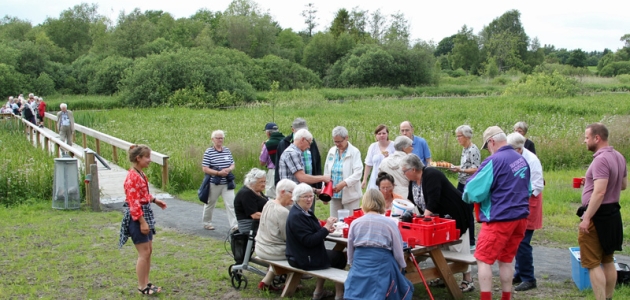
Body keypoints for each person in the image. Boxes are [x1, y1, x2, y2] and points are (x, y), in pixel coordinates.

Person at [462, 126, 531, 300]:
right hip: (520, 217)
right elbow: (528, 189)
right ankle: (505, 297)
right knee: (506, 260)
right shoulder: (520, 159)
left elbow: (472, 190)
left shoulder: (494, 161)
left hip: (499, 218)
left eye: (487, 147)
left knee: (483, 259)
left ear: (492, 142)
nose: (488, 150)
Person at [401, 154, 474, 292]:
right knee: (440, 246)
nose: (403, 174)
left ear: (414, 169)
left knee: (459, 245)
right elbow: (411, 200)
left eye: (405, 171)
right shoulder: (413, 181)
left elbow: (433, 201)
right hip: (438, 218)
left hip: (455, 213)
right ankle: (443, 275)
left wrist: (423, 219)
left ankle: (468, 279)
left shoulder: (431, 174)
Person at [578, 123, 626, 300]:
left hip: (598, 216)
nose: (585, 141)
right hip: (613, 213)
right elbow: (622, 185)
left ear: (597, 138)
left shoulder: (600, 159)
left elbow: (599, 192)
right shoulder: (619, 156)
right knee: (608, 260)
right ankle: (609, 297)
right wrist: (590, 180)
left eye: (587, 137)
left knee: (592, 263)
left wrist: (586, 217)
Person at [344, 189, 413, 300]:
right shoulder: (390, 223)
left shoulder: (355, 223)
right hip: (382, 265)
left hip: (360, 264)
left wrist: (352, 265)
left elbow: (350, 248)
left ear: (364, 203)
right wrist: (401, 266)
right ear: (382, 202)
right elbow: (398, 251)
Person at [118, 144, 167, 295]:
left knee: (149, 251)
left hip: (145, 213)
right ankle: (141, 286)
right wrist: (142, 221)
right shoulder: (132, 177)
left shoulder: (140, 174)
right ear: (138, 158)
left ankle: (147, 282)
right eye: (147, 157)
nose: (149, 160)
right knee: (143, 253)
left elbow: (143, 195)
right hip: (137, 217)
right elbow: (133, 202)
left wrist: (154, 200)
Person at [285, 183, 346, 300]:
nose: (309, 199)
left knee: (334, 254)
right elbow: (309, 241)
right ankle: (338, 294)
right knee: (340, 257)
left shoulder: (303, 211)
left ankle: (319, 291)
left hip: (303, 254)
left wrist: (327, 229)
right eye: (305, 197)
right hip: (302, 258)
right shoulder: (297, 216)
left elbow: (313, 230)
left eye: (311, 196)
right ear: (297, 198)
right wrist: (326, 228)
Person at [507, 132, 544, 291]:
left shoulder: (532, 160)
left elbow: (538, 185)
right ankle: (519, 272)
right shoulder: (516, 157)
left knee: (523, 241)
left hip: (529, 203)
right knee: (516, 239)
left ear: (519, 149)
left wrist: (522, 196)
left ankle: (529, 278)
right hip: (519, 202)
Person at [255, 179, 297, 291]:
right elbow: (287, 238)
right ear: (283, 192)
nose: (294, 197)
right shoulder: (283, 212)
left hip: (260, 247)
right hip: (272, 251)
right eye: (292, 193)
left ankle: (265, 282)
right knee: (299, 251)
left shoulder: (268, 203)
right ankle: (289, 285)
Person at [275, 118, 323, 210]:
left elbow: (316, 163)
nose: (309, 146)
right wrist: (323, 178)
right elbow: (299, 177)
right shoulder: (287, 147)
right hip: (294, 193)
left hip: (307, 187)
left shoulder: (310, 141)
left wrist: (317, 188)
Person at [449, 125, 481, 251]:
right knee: (460, 209)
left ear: (467, 136)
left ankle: (472, 241)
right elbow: (465, 165)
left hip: (470, 184)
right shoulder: (465, 149)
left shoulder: (473, 150)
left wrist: (460, 169)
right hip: (461, 182)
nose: (458, 139)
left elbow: (476, 169)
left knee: (468, 211)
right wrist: (456, 167)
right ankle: (465, 236)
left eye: (459, 136)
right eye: (457, 136)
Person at [324, 126, 363, 218]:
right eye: (335, 141)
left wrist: (344, 183)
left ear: (346, 138)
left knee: (349, 220)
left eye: (339, 141)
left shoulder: (355, 152)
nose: (337, 144)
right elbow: (326, 172)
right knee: (334, 221)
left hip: (350, 194)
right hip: (334, 194)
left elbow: (358, 173)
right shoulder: (332, 151)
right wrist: (325, 193)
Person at [201, 130, 237, 231]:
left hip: (227, 183)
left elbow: (232, 164)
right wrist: (218, 173)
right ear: (213, 139)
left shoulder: (227, 150)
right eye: (218, 138)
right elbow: (205, 168)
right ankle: (207, 222)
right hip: (214, 182)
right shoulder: (209, 152)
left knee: (231, 204)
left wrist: (228, 169)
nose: (220, 140)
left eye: (222, 138)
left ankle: (234, 225)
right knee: (210, 203)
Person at [234, 168, 269, 236]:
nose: (264, 184)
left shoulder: (257, 191)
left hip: (258, 223)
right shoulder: (246, 194)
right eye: (261, 182)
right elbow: (254, 215)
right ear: (252, 182)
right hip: (250, 226)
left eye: (264, 181)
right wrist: (272, 216)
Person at [361, 124, 395, 190]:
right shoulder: (373, 146)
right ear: (376, 135)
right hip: (375, 178)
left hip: (389, 178)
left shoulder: (394, 146)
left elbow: (397, 163)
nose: (381, 135)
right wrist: (364, 179)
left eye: (384, 133)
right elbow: (368, 164)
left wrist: (388, 158)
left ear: (387, 134)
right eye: (379, 133)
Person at [259, 122, 284, 199]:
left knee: (271, 196)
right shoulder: (285, 141)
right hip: (285, 171)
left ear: (268, 133)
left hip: (273, 172)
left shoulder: (268, 144)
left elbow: (262, 162)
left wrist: (262, 149)